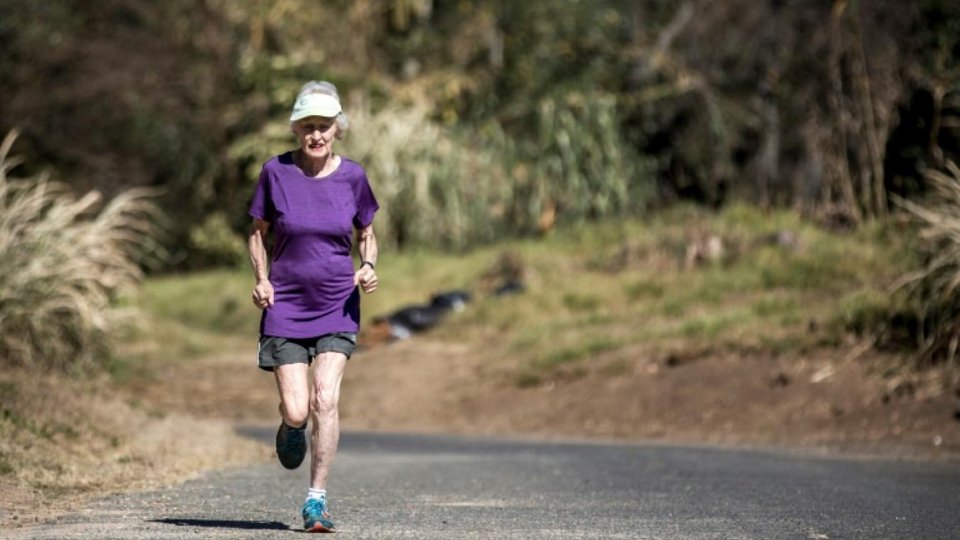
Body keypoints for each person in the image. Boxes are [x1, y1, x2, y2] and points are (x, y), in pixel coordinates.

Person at [247, 80, 379, 533]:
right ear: (296, 130)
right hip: (285, 307)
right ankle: (288, 426)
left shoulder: (353, 177)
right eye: (308, 127)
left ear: (337, 129)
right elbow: (256, 231)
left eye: (324, 126)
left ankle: (316, 501)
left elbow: (366, 231)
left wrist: (369, 266)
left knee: (326, 398)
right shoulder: (275, 172)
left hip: (337, 305)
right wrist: (261, 280)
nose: (317, 135)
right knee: (299, 409)